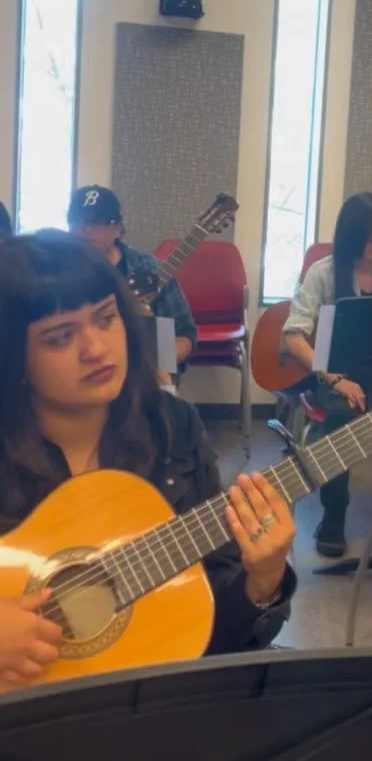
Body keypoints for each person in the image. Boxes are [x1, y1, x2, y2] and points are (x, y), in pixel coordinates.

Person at [0, 231, 296, 689]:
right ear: (15, 361)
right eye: (60, 338)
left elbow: (209, 635)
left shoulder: (172, 428)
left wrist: (262, 583)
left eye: (106, 319)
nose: (96, 348)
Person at [282, 191, 372, 558]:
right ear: (350, 233)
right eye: (370, 233)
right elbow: (293, 336)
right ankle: (334, 515)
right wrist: (332, 377)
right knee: (340, 416)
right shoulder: (324, 273)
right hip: (336, 375)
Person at [67, 185, 197, 371]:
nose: (86, 229)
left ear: (118, 228)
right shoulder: (55, 272)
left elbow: (185, 335)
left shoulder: (152, 270)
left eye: (96, 222)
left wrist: (160, 361)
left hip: (141, 380)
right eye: (77, 221)